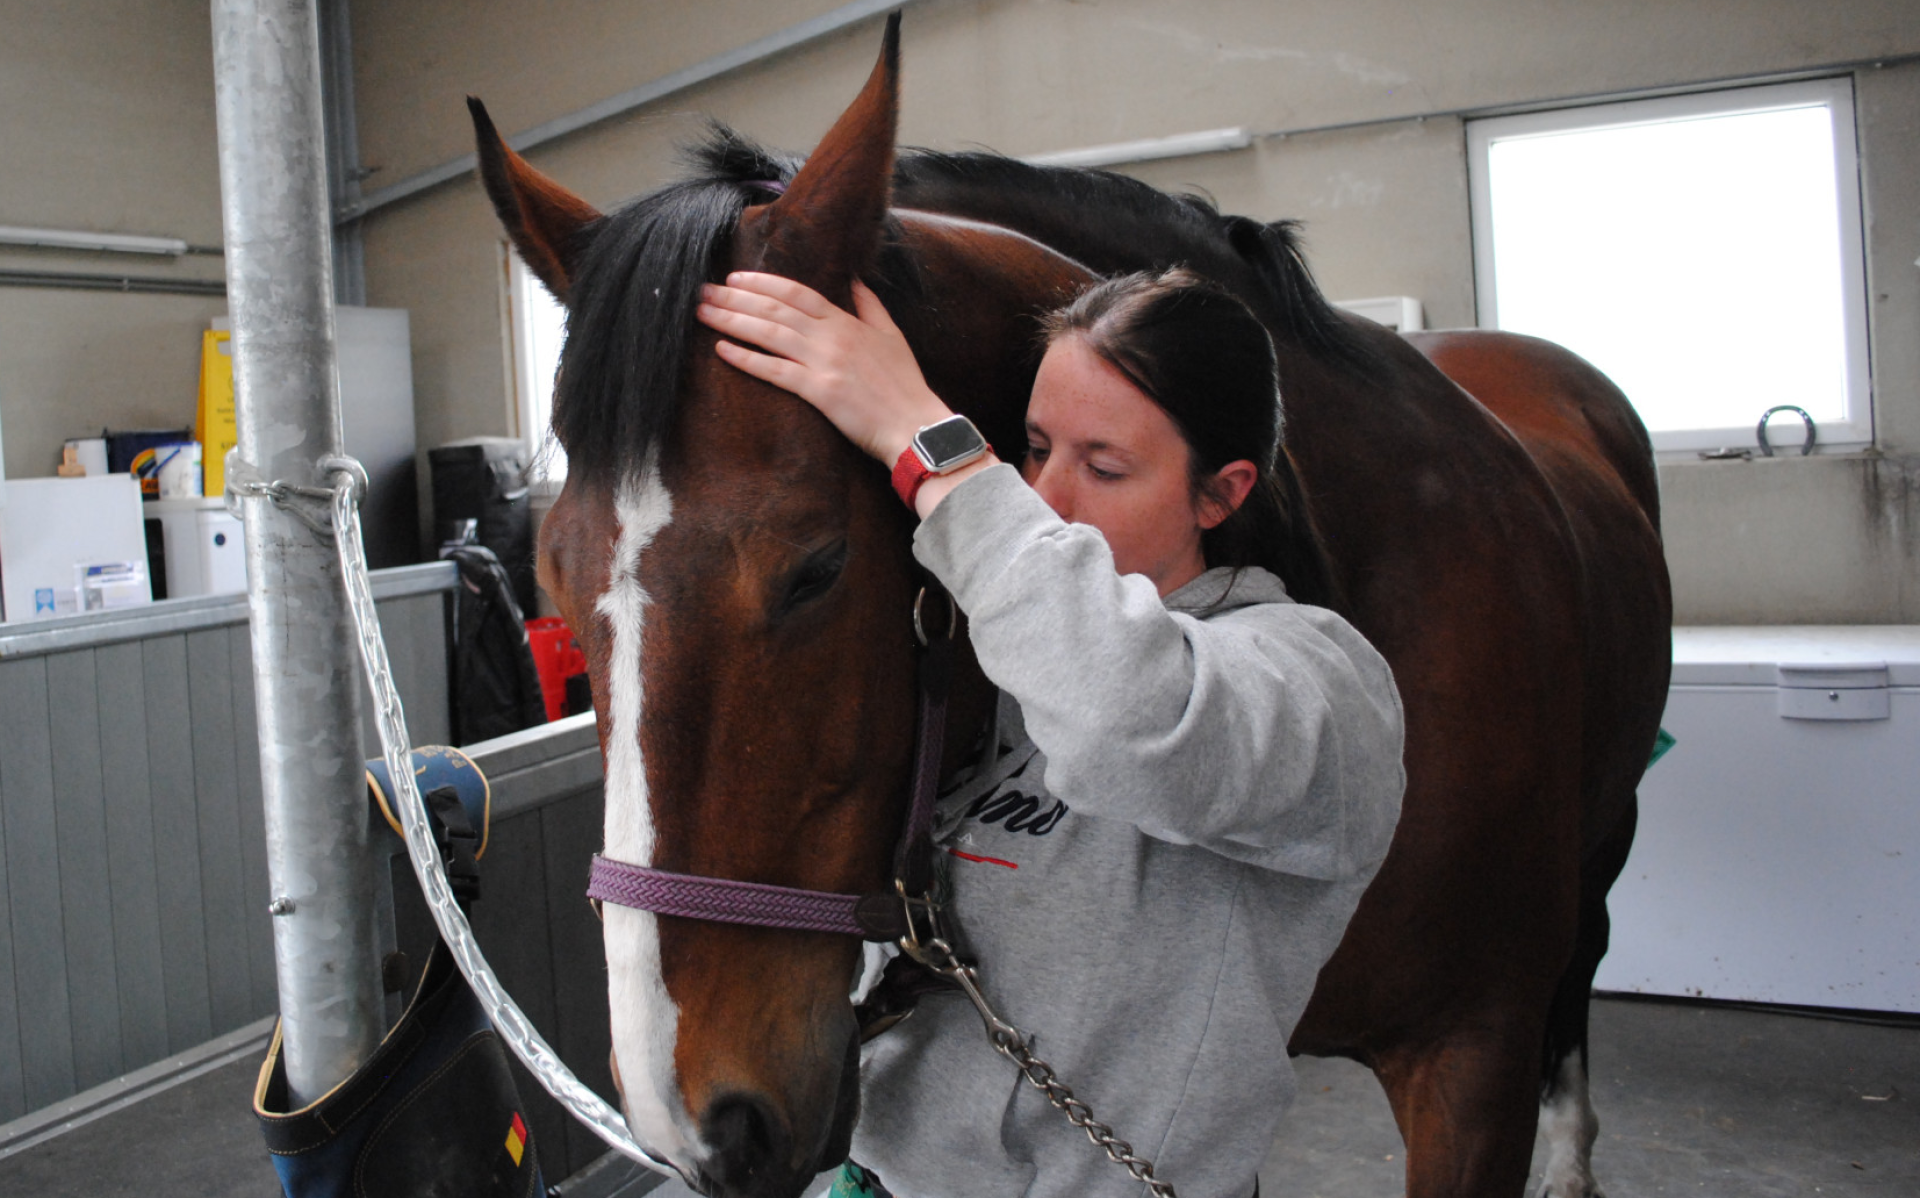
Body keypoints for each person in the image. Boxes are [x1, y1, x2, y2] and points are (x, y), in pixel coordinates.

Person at [696, 267, 1405, 1198]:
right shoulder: (993, 652)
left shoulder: (1318, 681)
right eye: (1032, 450)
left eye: (1105, 467)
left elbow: (1126, 723)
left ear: (1220, 494)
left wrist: (937, 455)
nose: (1044, 497)